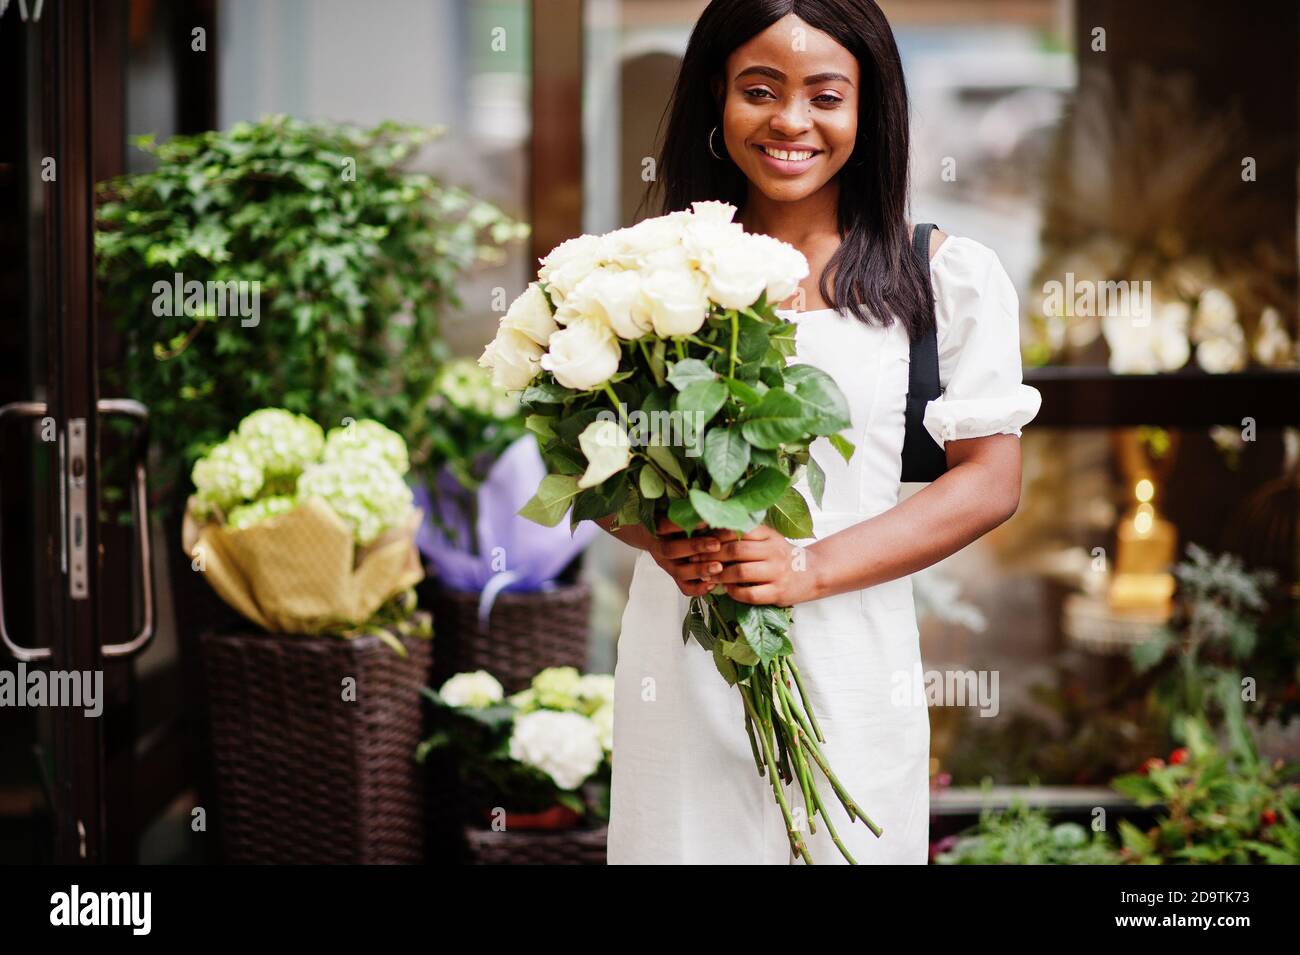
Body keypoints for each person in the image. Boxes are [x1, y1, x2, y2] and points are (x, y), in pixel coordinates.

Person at [596, 0, 1042, 864]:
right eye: (759, 90)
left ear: (868, 111)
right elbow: (594, 460)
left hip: (852, 654)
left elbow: (990, 478)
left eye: (826, 95)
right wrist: (655, 535)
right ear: (716, 104)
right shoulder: (648, 275)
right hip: (683, 652)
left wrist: (808, 566)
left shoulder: (942, 274)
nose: (791, 121)